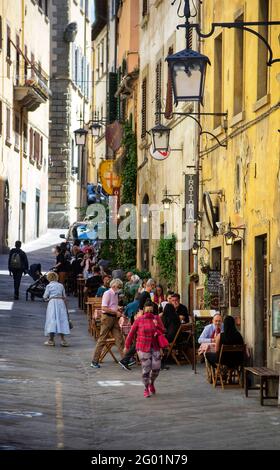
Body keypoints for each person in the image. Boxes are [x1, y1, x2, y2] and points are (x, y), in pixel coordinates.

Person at [124, 301, 165, 398]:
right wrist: (127, 346)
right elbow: (131, 333)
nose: (149, 311)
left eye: (151, 309)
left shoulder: (157, 318)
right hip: (142, 346)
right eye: (147, 309)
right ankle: (146, 388)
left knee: (156, 368)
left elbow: (163, 330)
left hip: (155, 345)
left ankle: (152, 383)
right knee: (146, 367)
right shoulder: (139, 320)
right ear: (144, 309)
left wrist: (157, 325)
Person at [91, 279, 124, 369]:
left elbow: (112, 305)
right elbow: (104, 308)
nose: (120, 289)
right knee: (102, 339)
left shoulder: (115, 294)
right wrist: (115, 312)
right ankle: (94, 361)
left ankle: (125, 360)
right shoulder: (107, 293)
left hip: (113, 318)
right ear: (114, 286)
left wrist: (118, 308)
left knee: (119, 338)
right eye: (119, 287)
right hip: (107, 318)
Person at [43, 272, 70, 347]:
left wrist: (48, 299)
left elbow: (45, 296)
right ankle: (63, 340)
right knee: (61, 319)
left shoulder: (49, 286)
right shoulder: (61, 285)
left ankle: (51, 340)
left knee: (52, 319)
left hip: (52, 303)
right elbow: (64, 296)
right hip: (60, 303)